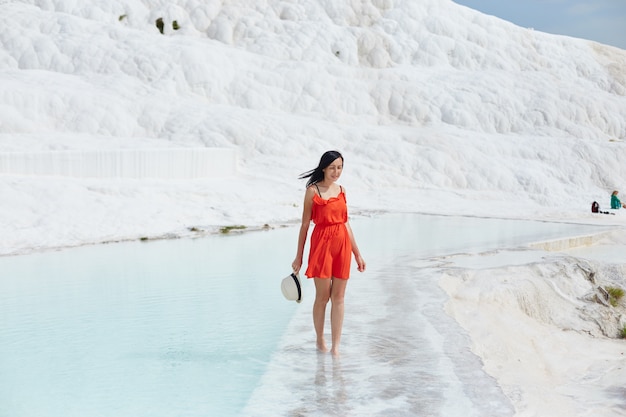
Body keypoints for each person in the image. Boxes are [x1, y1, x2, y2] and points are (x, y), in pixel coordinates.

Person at [292, 150, 366, 357]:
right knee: (323, 297)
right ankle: (320, 339)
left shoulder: (342, 190)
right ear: (323, 167)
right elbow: (305, 225)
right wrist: (299, 256)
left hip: (341, 244)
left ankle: (336, 347)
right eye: (332, 167)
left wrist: (357, 254)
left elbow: (346, 222)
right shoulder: (312, 191)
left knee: (339, 297)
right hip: (321, 244)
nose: (336, 172)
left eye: (340, 167)